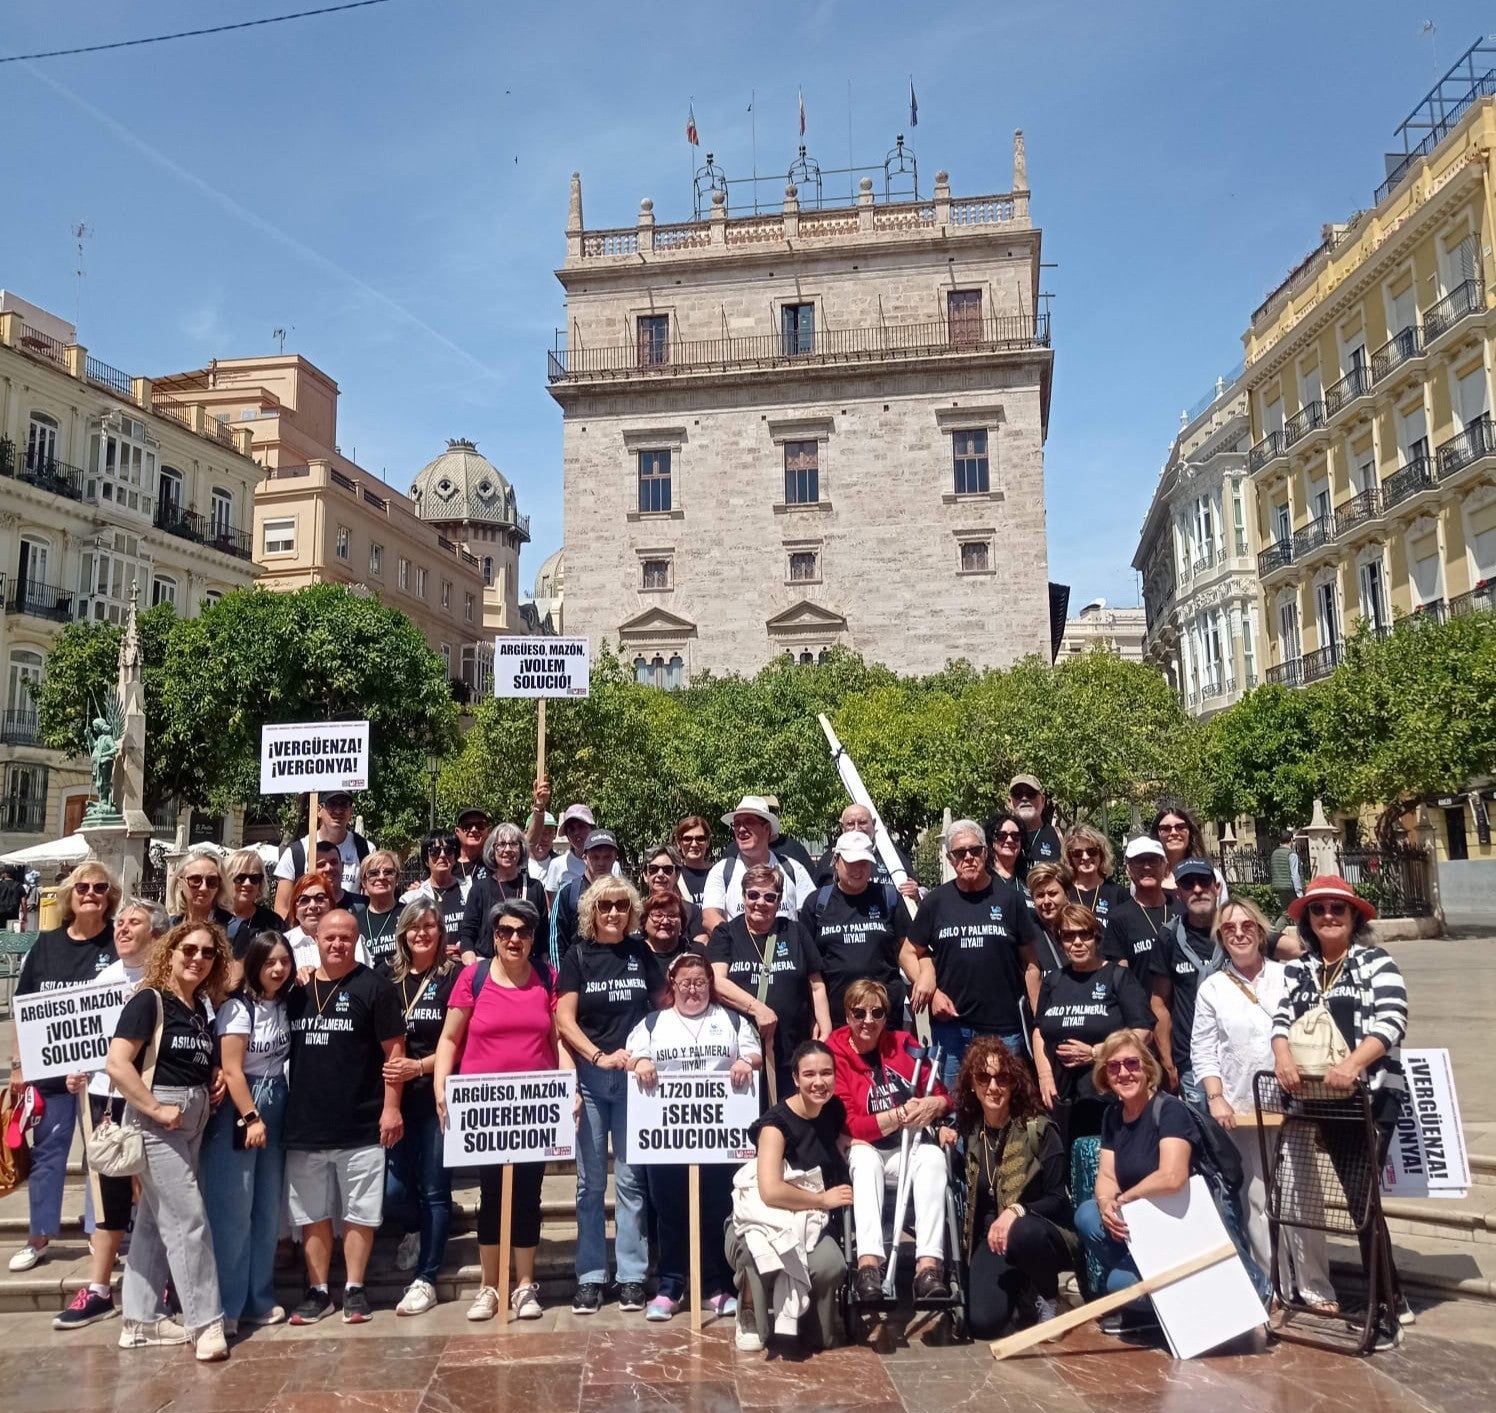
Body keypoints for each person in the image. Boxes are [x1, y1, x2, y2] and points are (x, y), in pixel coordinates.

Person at [1272, 875, 1409, 1341]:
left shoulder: (1376, 961)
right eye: (1318, 909)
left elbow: (1392, 1019)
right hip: (1319, 1099)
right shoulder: (1299, 968)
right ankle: (1392, 1294)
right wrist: (1283, 1055)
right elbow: (1281, 1018)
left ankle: (1383, 1308)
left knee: (1361, 1200)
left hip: (1368, 1097)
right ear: (1307, 920)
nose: (1328, 916)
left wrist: (1353, 1064)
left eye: (1337, 908)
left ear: (1354, 916)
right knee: (1356, 1199)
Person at [1193, 899, 1335, 1314]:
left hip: (1293, 1105)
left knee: (1302, 1196)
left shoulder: (1288, 976)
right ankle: (1272, 1284)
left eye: (1246, 926)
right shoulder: (1213, 988)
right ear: (1221, 938)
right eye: (1229, 929)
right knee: (1256, 1200)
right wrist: (1215, 1097)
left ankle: (1314, 1285)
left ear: (1260, 931)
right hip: (1242, 1108)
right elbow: (1203, 1050)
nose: (1238, 934)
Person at [105, 920, 229, 1360]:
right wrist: (156, 1109)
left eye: (208, 953)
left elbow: (188, 1056)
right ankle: (206, 1323)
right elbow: (117, 1063)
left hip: (192, 1117)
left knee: (157, 1222)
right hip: (159, 1119)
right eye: (189, 950)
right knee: (188, 1219)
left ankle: (140, 1322)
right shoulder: (149, 999)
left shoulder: (197, 1006)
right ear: (169, 952)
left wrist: (213, 1073)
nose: (198, 958)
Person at [436, 898, 564, 1323]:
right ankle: (489, 1286)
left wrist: (571, 1088)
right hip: (484, 1109)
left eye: (523, 932)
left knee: (528, 1195)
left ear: (533, 938)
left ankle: (525, 1285)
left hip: (535, 1108)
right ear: (494, 936)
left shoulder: (546, 977)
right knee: (491, 1195)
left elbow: (558, 1039)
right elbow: (450, 1038)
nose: (514, 939)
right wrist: (441, 1086)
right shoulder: (472, 978)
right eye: (505, 931)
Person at [283, 908, 406, 1326]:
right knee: (311, 1214)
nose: (337, 944)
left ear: (357, 941)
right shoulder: (296, 991)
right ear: (316, 939)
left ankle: (354, 1288)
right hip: (306, 1122)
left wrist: (392, 1108)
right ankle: (318, 1291)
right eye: (329, 937)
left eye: (346, 938)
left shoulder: (375, 988)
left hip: (362, 1121)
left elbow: (395, 1053)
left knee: (360, 1212)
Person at [626, 951, 763, 1320]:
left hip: (718, 1137)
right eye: (685, 982)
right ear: (672, 984)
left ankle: (715, 1287)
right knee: (669, 1211)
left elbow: (754, 1054)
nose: (692, 989)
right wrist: (641, 1062)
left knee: (716, 1210)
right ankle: (670, 1287)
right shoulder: (653, 1023)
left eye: (700, 982)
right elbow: (632, 1056)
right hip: (667, 1137)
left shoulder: (731, 1020)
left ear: (709, 985)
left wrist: (744, 1061)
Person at [54, 897, 167, 1331]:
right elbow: (82, 1042)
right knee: (108, 1197)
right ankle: (99, 1289)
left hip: (152, 1098)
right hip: (104, 1100)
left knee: (155, 1196)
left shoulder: (167, 981)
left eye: (133, 922)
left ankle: (162, 1281)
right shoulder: (102, 979)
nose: (121, 929)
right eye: (120, 922)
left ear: (156, 934)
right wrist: (74, 1071)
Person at [8, 862, 120, 1274]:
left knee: (101, 1155)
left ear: (110, 897)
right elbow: (23, 1008)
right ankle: (38, 1235)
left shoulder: (117, 943)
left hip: (103, 1076)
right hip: (51, 1074)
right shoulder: (46, 945)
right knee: (48, 1154)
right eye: (83, 887)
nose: (91, 893)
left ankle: (98, 1231)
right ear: (71, 896)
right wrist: (18, 1066)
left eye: (100, 888)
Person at [555, 877, 653, 1314]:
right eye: (605, 906)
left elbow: (660, 1008)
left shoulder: (640, 953)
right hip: (592, 1081)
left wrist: (644, 1055)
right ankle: (591, 1276)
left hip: (634, 1082)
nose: (613, 913)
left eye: (621, 905)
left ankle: (631, 1275)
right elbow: (564, 1019)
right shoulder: (577, 956)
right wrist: (596, 1056)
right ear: (591, 911)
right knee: (589, 1184)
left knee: (630, 1182)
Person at [828, 980, 951, 1302]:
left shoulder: (903, 1044)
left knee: (934, 1159)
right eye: (859, 1013)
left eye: (877, 1013)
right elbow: (852, 1124)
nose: (868, 1021)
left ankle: (928, 1267)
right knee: (865, 1160)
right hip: (863, 1148)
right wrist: (898, 1114)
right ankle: (868, 1264)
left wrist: (933, 1104)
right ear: (847, 1015)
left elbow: (942, 1096)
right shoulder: (835, 1053)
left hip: (906, 1146)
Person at [728, 1039, 852, 1353]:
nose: (819, 1082)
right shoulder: (775, 1125)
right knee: (756, 1253)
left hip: (809, 1220)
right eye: (809, 1074)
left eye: (826, 1073)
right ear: (795, 1078)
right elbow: (770, 1191)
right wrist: (822, 1200)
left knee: (831, 1264)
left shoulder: (833, 1110)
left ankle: (810, 1317)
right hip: (764, 1218)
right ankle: (749, 1311)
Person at [948, 1036, 1076, 1338]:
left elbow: (1058, 1199)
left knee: (1023, 1232)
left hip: (1041, 1233)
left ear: (1014, 1083)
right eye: (984, 1078)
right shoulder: (971, 1132)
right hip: (993, 1241)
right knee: (983, 1324)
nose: (993, 1087)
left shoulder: (1039, 1129)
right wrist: (946, 1141)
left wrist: (1017, 1211)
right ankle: (1022, 1289)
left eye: (1002, 1078)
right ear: (972, 1085)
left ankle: (1049, 1296)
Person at [200, 930, 295, 1335]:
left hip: (277, 1101)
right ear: (254, 964)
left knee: (266, 1208)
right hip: (242, 1108)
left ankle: (259, 1297)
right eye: (269, 962)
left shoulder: (285, 1004)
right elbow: (233, 1069)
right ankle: (227, 1303)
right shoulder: (239, 1009)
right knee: (234, 1210)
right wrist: (251, 1117)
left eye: (284, 961)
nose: (277, 969)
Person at [1073, 1031, 1196, 1331]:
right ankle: (1148, 1297)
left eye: (1131, 1063)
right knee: (1088, 1214)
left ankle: (1171, 1304)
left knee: (1119, 1284)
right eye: (1114, 1066)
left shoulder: (1170, 1110)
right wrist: (1106, 1204)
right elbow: (1107, 1175)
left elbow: (1173, 1176)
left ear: (1147, 1068)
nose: (1124, 1073)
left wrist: (1127, 1198)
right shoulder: (1113, 1115)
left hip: (1177, 1228)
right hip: (1141, 1227)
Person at [908, 820, 1041, 1088]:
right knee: (954, 1103)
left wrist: (1039, 1023)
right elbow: (909, 951)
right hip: (952, 1029)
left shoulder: (1010, 900)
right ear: (950, 859)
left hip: (1004, 1029)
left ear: (985, 853)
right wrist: (931, 989)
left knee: (1003, 1101)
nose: (968, 857)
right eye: (960, 853)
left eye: (975, 850)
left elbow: (1031, 964)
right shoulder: (936, 902)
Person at [382, 901, 461, 1316]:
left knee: (435, 1188)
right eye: (414, 926)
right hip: (395, 1096)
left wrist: (420, 1066)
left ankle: (427, 1276)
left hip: (436, 1094)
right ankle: (415, 1228)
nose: (422, 933)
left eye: (430, 925)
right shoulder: (387, 976)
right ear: (403, 933)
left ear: (440, 931)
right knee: (392, 1192)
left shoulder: (453, 977)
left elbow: (458, 1041)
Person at [1032, 905, 1153, 1149]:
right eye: (1069, 936)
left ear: (1096, 937)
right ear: (1060, 941)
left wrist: (1097, 1053)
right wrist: (1044, 1077)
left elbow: (1143, 1031)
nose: (1077, 942)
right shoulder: (1053, 981)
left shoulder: (1118, 977)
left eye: (1084, 934)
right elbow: (1039, 1031)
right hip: (1062, 1098)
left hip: (1108, 1096)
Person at [709, 862, 832, 1099]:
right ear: (743, 897)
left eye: (769, 897)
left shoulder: (795, 931)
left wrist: (825, 1030)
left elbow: (816, 985)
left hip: (792, 1046)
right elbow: (717, 981)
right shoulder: (726, 933)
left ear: (779, 900)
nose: (760, 903)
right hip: (743, 1053)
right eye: (753, 895)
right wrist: (757, 1009)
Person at [799, 830, 932, 1028]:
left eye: (863, 862)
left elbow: (912, 949)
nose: (857, 869)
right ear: (836, 861)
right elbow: (807, 967)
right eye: (851, 862)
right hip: (836, 1019)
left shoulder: (889, 898)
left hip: (884, 1016)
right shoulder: (816, 903)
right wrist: (814, 1017)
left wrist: (925, 978)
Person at [1146, 856, 1224, 1106]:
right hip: (1192, 1061)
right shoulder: (1169, 937)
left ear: (1216, 887)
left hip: (1236, 1056)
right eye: (1188, 884)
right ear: (1179, 893)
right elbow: (1159, 1002)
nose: (1197, 889)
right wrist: (1168, 1062)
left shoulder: (1236, 929)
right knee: (1200, 1127)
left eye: (1203, 881)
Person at [702, 796, 815, 934]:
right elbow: (709, 917)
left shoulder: (792, 868)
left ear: (766, 828)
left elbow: (812, 915)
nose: (741, 829)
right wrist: (737, 941)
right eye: (737, 824)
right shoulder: (721, 871)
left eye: (749, 822)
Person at [458, 822, 550, 965]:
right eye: (501, 844)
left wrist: (544, 969)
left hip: (526, 968)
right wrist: (473, 966)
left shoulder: (534, 888)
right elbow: (467, 934)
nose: (507, 849)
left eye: (513, 844)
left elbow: (543, 936)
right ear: (492, 850)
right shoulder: (479, 889)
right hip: (488, 967)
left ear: (521, 849)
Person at [272, 791, 372, 913]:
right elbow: (282, 909)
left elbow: (372, 903)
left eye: (344, 804)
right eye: (332, 804)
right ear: (319, 810)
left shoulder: (366, 849)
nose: (338, 810)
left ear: (351, 811)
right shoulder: (296, 852)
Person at [810, 804, 920, 898]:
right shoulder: (829, 860)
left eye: (862, 822)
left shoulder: (892, 856)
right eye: (850, 824)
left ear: (873, 824)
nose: (857, 829)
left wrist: (916, 895)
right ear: (842, 827)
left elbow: (916, 891)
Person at [550, 829, 623, 966]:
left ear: (615, 858)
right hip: (576, 973)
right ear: (585, 858)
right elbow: (556, 942)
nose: (601, 863)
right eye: (595, 857)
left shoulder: (622, 893)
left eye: (607, 857)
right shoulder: (568, 892)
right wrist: (561, 977)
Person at [1105, 837, 1176, 972]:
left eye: (1153, 861)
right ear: (1127, 870)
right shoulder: (1119, 918)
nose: (1147, 867)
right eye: (1139, 861)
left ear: (1165, 867)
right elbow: (1121, 975)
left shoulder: (1181, 909)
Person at [283, 873, 370, 970]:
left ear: (331, 905)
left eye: (320, 898)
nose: (312, 906)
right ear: (294, 909)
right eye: (304, 900)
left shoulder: (350, 939)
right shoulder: (283, 944)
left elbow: (364, 976)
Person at [1150, 803, 1228, 904]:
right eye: (1165, 828)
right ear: (1157, 835)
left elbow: (1222, 912)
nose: (1173, 832)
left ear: (1190, 833)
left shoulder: (1212, 876)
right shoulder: (1145, 879)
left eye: (1180, 827)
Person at [636, 891, 706, 1002]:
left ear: (682, 922)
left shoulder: (695, 951)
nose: (665, 921)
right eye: (658, 915)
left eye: (672, 916)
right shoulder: (634, 952)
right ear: (644, 922)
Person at [400, 831, 468, 943]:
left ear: (455, 857)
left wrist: (464, 948)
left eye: (448, 850)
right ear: (426, 860)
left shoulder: (470, 889)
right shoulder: (412, 898)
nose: (442, 855)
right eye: (434, 851)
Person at [222, 849, 286, 961]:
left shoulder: (273, 923)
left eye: (254, 878)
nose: (247, 883)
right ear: (226, 879)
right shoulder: (214, 919)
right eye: (240, 878)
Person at [1064, 825, 1127, 932]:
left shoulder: (1117, 893)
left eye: (1092, 851)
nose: (1085, 857)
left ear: (1101, 854)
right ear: (1069, 857)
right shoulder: (1064, 892)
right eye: (1077, 853)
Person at [639, 844, 708, 941]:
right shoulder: (635, 912)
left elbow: (702, 941)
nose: (660, 874)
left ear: (677, 875)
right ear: (645, 875)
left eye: (667, 870)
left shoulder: (692, 912)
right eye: (653, 869)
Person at [352, 849, 404, 972]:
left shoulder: (409, 915)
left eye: (388, 872)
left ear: (397, 878)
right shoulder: (353, 922)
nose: (381, 877)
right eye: (373, 873)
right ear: (363, 881)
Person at [1007, 774, 1062, 881]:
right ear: (1010, 802)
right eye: (1018, 794)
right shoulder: (999, 839)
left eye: (1030, 794)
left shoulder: (1060, 837)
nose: (1024, 798)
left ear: (1042, 800)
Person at [169, 848, 235, 932]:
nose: (204, 888)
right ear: (180, 883)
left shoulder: (234, 930)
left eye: (212, 881)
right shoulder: (168, 928)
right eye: (195, 880)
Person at [1024, 862, 1072, 976]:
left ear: (1066, 895)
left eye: (1052, 894)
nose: (1046, 901)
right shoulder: (1027, 934)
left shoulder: (1084, 928)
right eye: (1040, 895)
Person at [672, 815, 714, 903]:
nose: (694, 844)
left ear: (707, 842)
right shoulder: (673, 877)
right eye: (687, 839)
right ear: (679, 843)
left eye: (700, 838)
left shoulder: (720, 873)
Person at [1269, 829, 1303, 920]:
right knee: (1299, 912)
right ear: (1291, 840)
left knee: (1286, 913)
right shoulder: (1291, 854)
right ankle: (1304, 929)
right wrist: (1299, 892)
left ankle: (1275, 930)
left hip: (1279, 887)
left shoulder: (1274, 853)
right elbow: (1294, 874)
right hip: (1290, 888)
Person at [987, 811, 1026, 886]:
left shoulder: (1029, 879)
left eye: (1015, 836)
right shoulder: (983, 878)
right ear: (991, 840)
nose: (1009, 840)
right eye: (1002, 835)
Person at [453, 806, 491, 881]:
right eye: (467, 825)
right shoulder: (448, 865)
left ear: (488, 831)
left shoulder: (494, 863)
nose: (474, 830)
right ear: (457, 832)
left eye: (480, 825)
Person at [527, 811, 558, 887]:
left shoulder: (561, 864)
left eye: (550, 832)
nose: (545, 838)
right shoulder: (517, 865)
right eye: (540, 832)